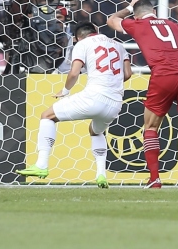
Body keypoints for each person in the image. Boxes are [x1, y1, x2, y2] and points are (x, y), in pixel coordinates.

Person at [107, 0, 178, 189]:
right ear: (154, 10)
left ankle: (154, 179)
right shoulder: (171, 25)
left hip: (163, 76)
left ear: (136, 14)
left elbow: (112, 20)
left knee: (151, 128)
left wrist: (129, 7)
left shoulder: (136, 24)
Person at [16, 22, 131, 188]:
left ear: (77, 38)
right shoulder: (119, 46)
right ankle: (101, 175)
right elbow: (127, 74)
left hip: (94, 97)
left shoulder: (83, 44)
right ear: (96, 31)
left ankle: (41, 164)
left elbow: (74, 72)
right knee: (96, 131)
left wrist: (65, 90)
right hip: (114, 103)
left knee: (47, 116)